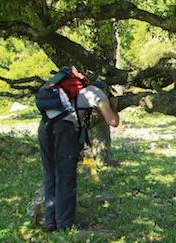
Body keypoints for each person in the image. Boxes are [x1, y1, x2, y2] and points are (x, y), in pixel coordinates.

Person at [39, 79, 119, 232]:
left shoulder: (72, 93)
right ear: (105, 90)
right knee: (66, 178)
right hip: (63, 130)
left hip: (44, 127)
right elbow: (113, 121)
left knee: (50, 174)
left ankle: (50, 222)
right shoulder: (95, 92)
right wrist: (113, 107)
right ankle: (65, 225)